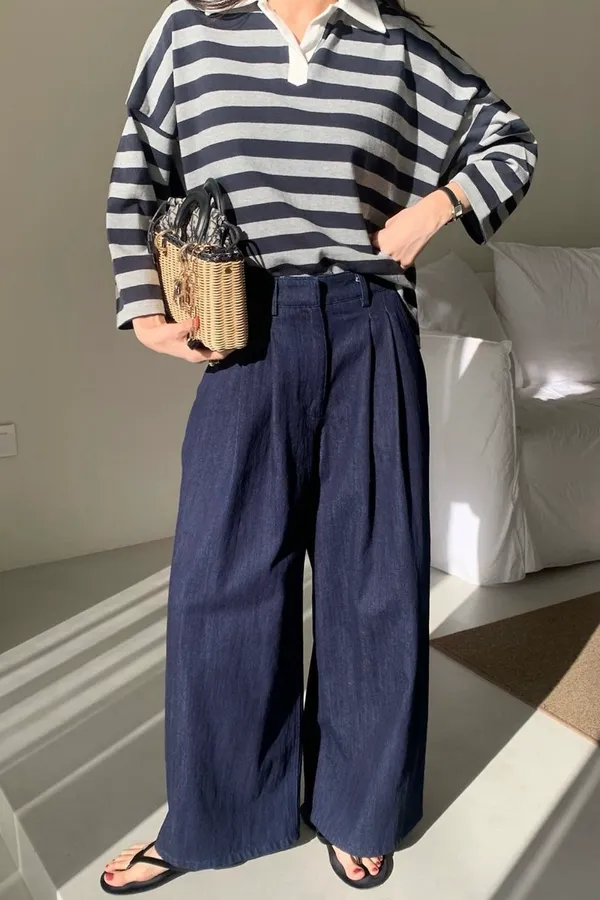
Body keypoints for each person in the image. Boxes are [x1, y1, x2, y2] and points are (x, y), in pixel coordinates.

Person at [102, 0, 537, 892]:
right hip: (244, 328)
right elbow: (138, 165)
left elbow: (510, 142)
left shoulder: (397, 40)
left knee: (373, 582)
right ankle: (214, 819)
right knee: (220, 581)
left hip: (369, 325)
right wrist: (143, 303)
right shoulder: (191, 29)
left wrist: (435, 208)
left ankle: (358, 808)